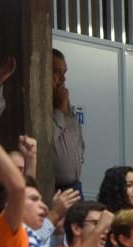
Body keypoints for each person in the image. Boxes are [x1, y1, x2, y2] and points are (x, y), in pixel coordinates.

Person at [51, 49, 84, 192]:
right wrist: (59, 110)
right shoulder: (40, 106)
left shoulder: (64, 101)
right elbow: (44, 141)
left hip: (75, 187)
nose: (63, 79)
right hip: (52, 190)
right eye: (57, 72)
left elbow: (77, 138)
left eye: (64, 73)